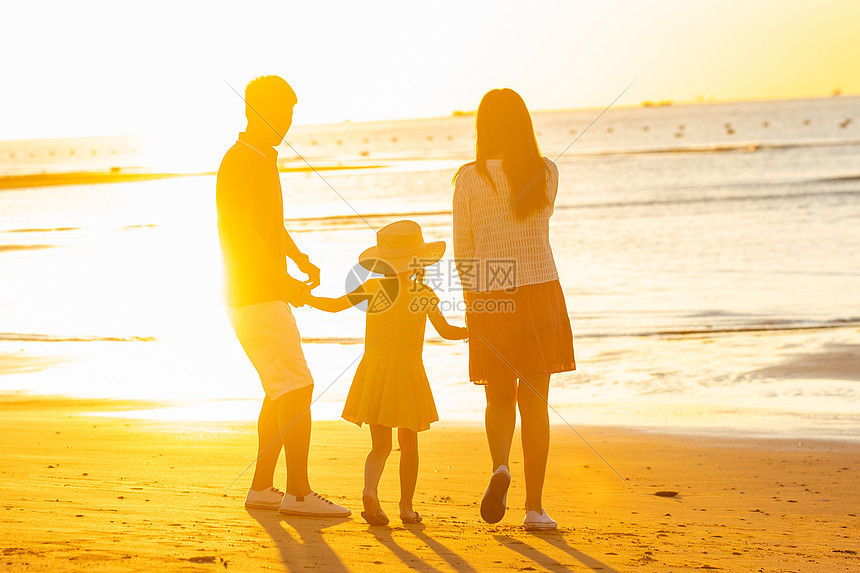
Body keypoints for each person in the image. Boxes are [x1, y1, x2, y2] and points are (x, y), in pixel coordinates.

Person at [216, 75, 350, 517]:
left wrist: (297, 258)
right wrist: (283, 280)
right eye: (278, 114)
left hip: (259, 291)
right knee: (298, 385)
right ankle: (298, 493)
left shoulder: (263, 157)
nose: (285, 123)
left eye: (290, 114)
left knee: (279, 389)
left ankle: (262, 488)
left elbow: (271, 225)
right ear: (254, 111)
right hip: (253, 293)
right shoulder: (240, 161)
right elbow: (245, 235)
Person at [452, 88, 576, 531]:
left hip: (493, 288)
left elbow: (464, 251)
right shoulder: (546, 173)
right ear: (524, 123)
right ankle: (535, 508)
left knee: (498, 396)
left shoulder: (469, 178)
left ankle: (501, 466)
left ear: (483, 126)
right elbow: (539, 228)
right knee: (536, 402)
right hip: (541, 287)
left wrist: (472, 304)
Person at [308, 220, 468, 525]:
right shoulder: (423, 293)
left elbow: (333, 306)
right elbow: (447, 331)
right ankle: (407, 509)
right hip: (407, 373)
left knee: (380, 445)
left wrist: (302, 298)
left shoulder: (373, 288)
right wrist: (471, 330)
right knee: (409, 446)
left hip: (375, 371)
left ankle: (370, 489)